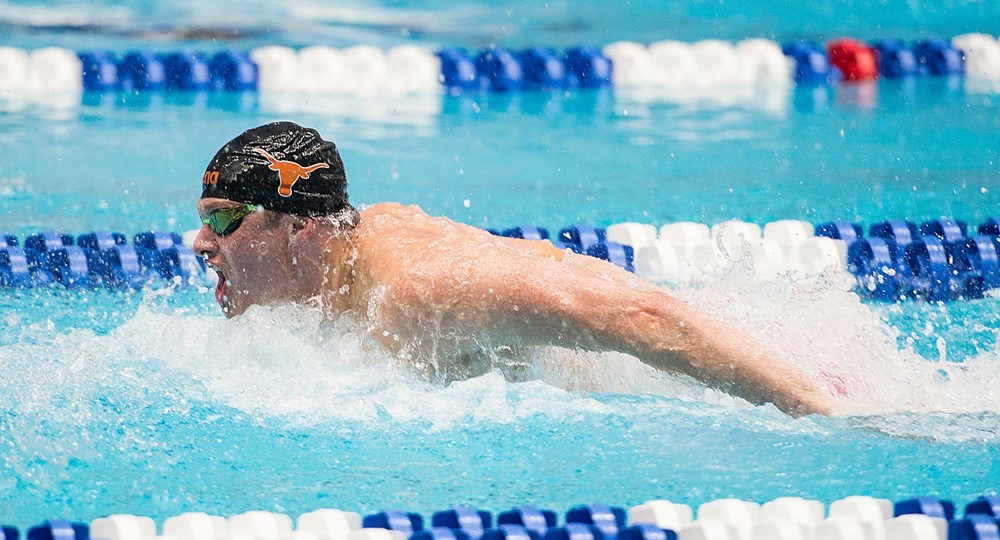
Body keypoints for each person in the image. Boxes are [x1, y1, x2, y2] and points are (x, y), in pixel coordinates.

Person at [195, 121, 846, 417]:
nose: (201, 242)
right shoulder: (336, 260)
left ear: (300, 227)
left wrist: (816, 406)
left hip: (703, 386)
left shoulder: (416, 291)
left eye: (223, 220)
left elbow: (636, 314)